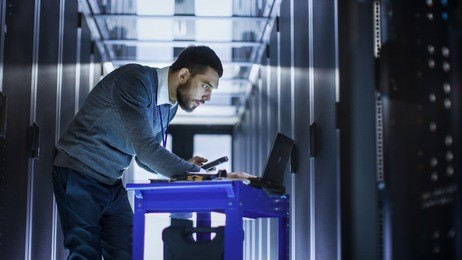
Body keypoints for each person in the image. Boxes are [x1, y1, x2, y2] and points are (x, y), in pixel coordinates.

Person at [52, 45, 253, 259]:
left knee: (128, 253)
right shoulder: (134, 81)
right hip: (78, 173)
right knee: (85, 253)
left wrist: (185, 167)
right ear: (184, 74)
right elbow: (147, 150)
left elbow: (143, 158)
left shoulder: (169, 105)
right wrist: (201, 175)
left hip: (110, 183)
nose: (208, 96)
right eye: (206, 86)